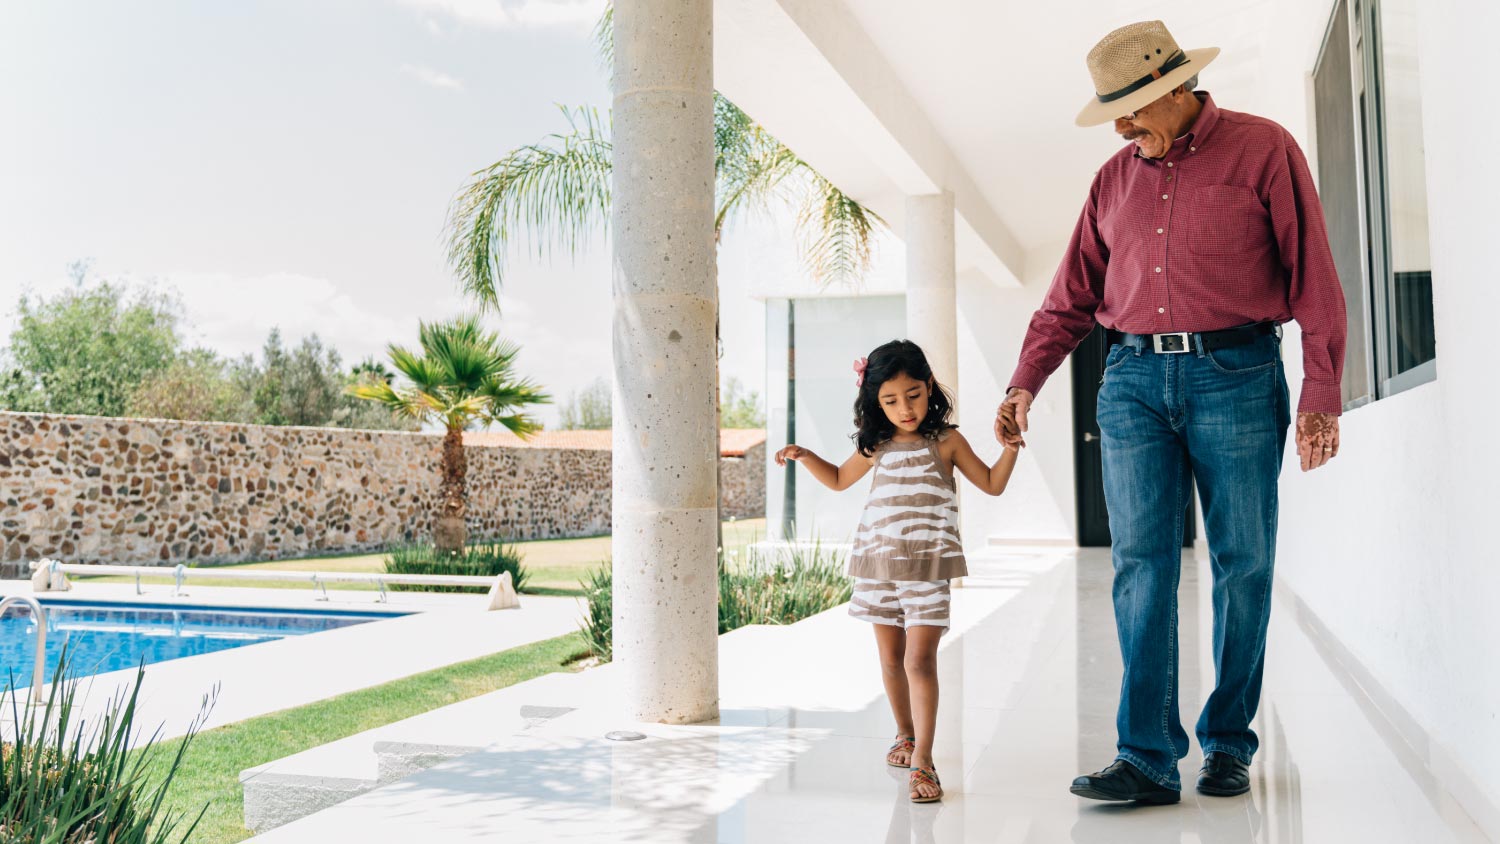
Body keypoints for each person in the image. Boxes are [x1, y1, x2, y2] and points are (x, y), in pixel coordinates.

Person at [995, 20, 1347, 804]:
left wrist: (1323, 393)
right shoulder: (1112, 181)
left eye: (1130, 109)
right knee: (1141, 568)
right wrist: (1024, 382)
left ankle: (1227, 742)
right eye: (1113, 114)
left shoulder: (1265, 150)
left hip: (1239, 373)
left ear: (1176, 89)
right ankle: (1148, 757)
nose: (1120, 127)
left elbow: (1315, 276)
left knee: (1242, 564)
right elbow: (1069, 297)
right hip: (1129, 384)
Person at [777, 339, 1023, 803]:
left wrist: (1010, 448)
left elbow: (991, 484)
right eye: (890, 401)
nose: (904, 408)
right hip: (877, 565)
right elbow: (837, 480)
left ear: (929, 387)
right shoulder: (877, 444)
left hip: (928, 568)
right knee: (891, 661)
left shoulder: (946, 441)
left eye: (912, 394)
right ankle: (904, 734)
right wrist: (806, 455)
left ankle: (924, 760)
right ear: (876, 403)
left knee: (919, 661)